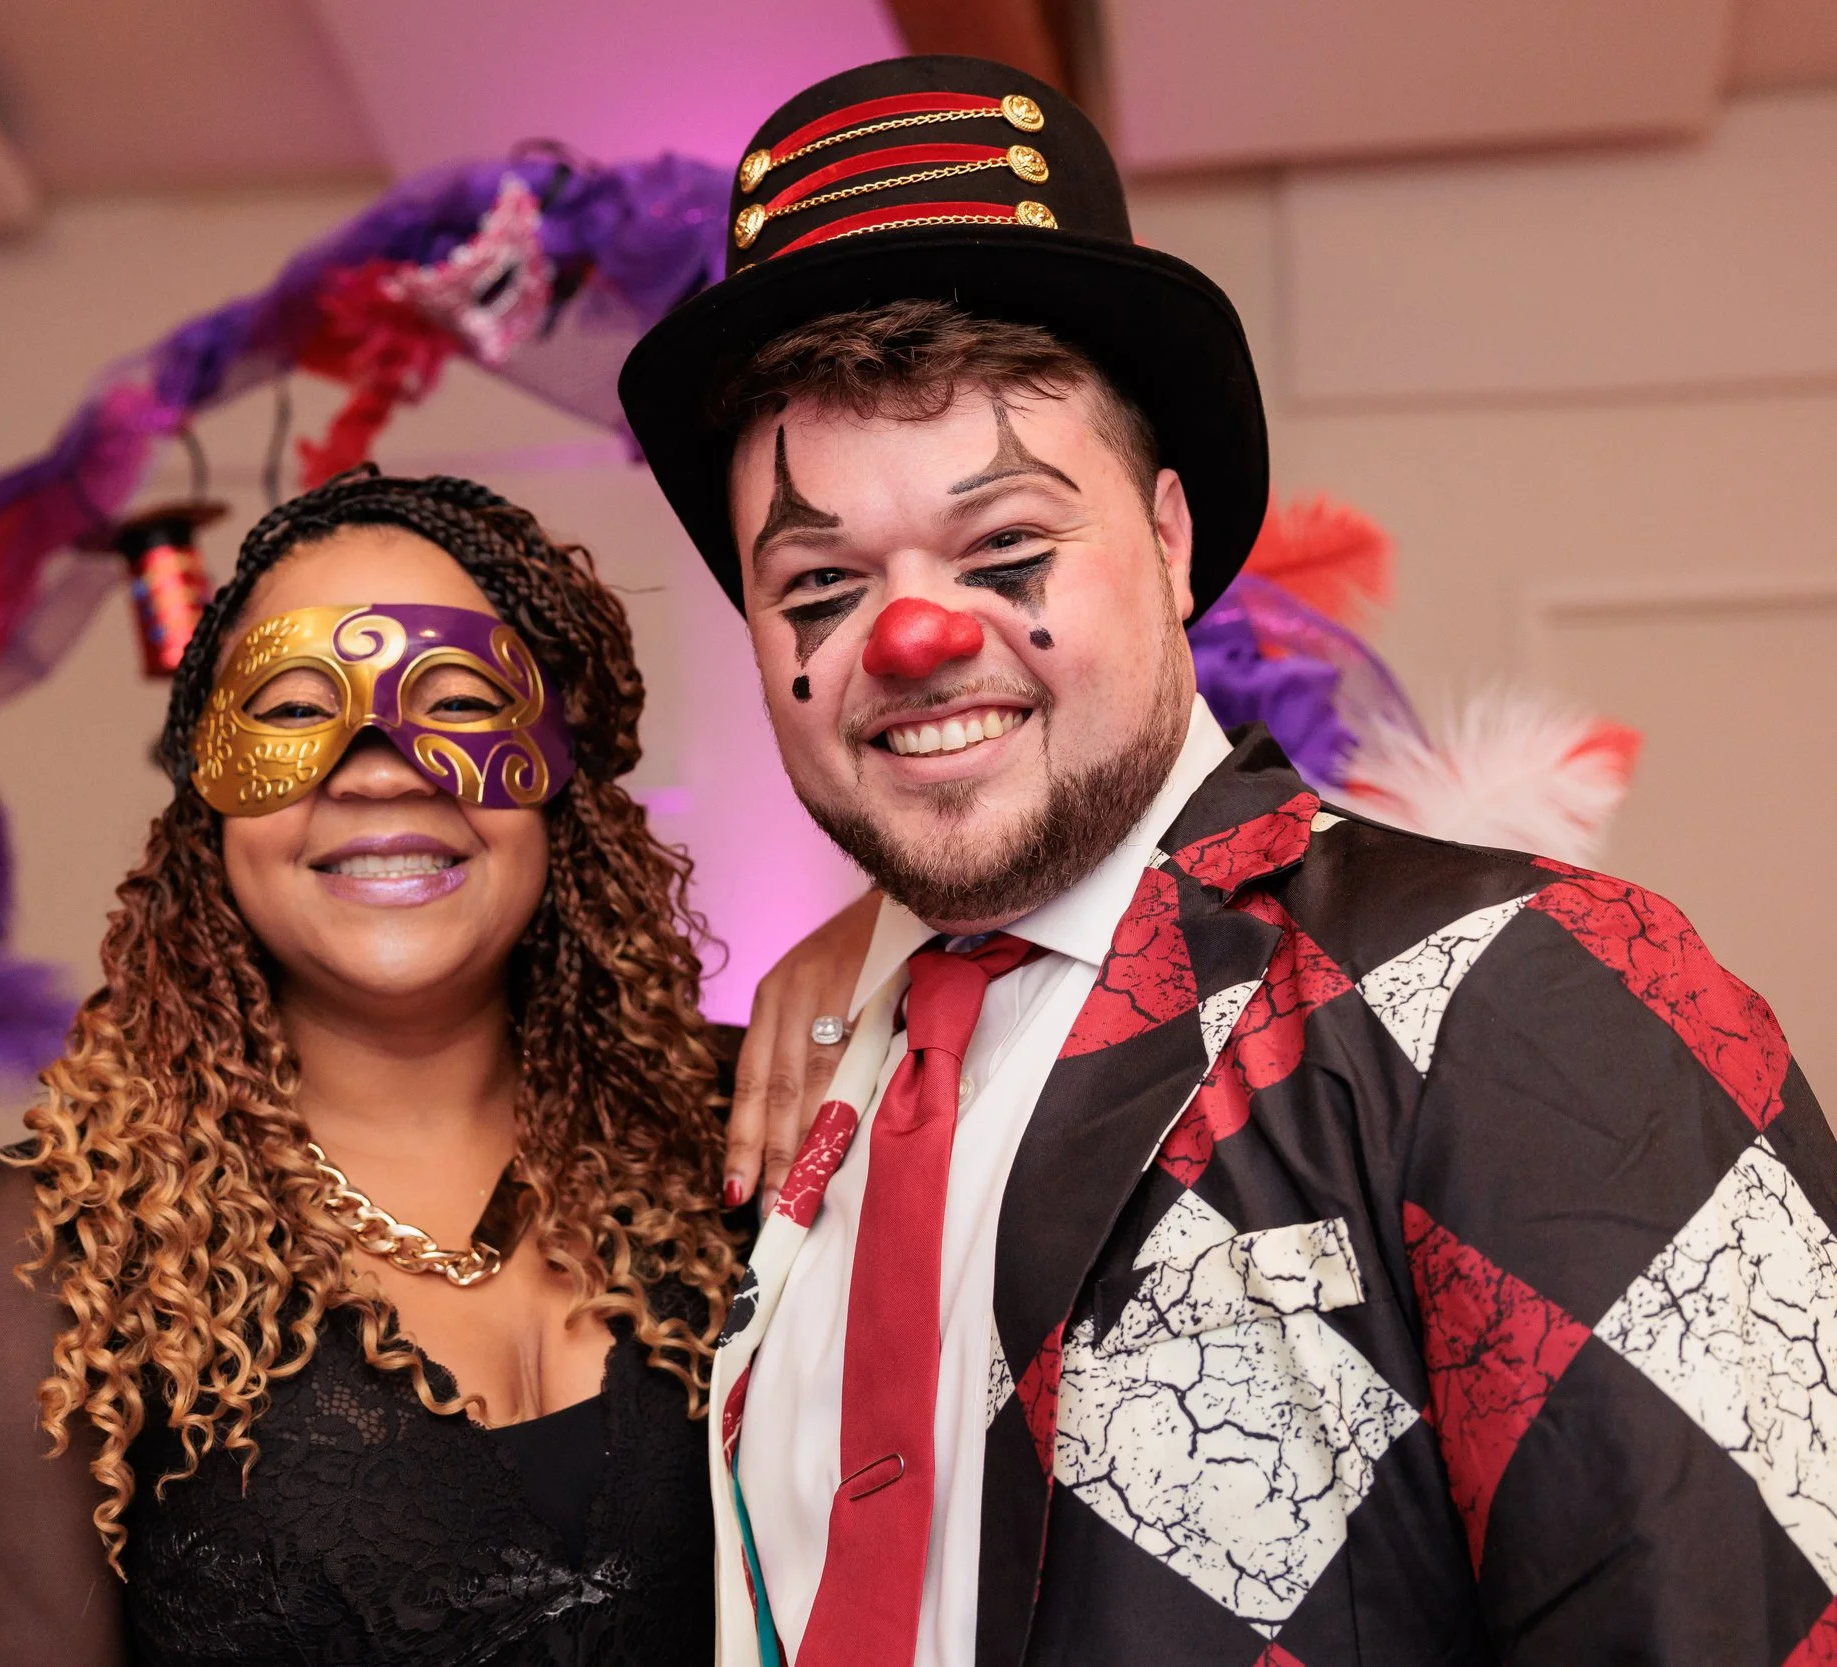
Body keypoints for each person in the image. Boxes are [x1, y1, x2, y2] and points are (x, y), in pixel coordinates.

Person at [621, 53, 1837, 1667]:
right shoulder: (783, 1106)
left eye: (1007, 550)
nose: (914, 639)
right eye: (824, 584)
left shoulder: (1514, 992)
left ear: (1176, 537)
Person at [0, 469, 737, 1666]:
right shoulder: (58, 1259)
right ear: (206, 802)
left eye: (460, 698)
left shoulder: (745, 1139)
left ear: (558, 776)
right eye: (288, 710)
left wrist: (865, 958)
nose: (377, 763)